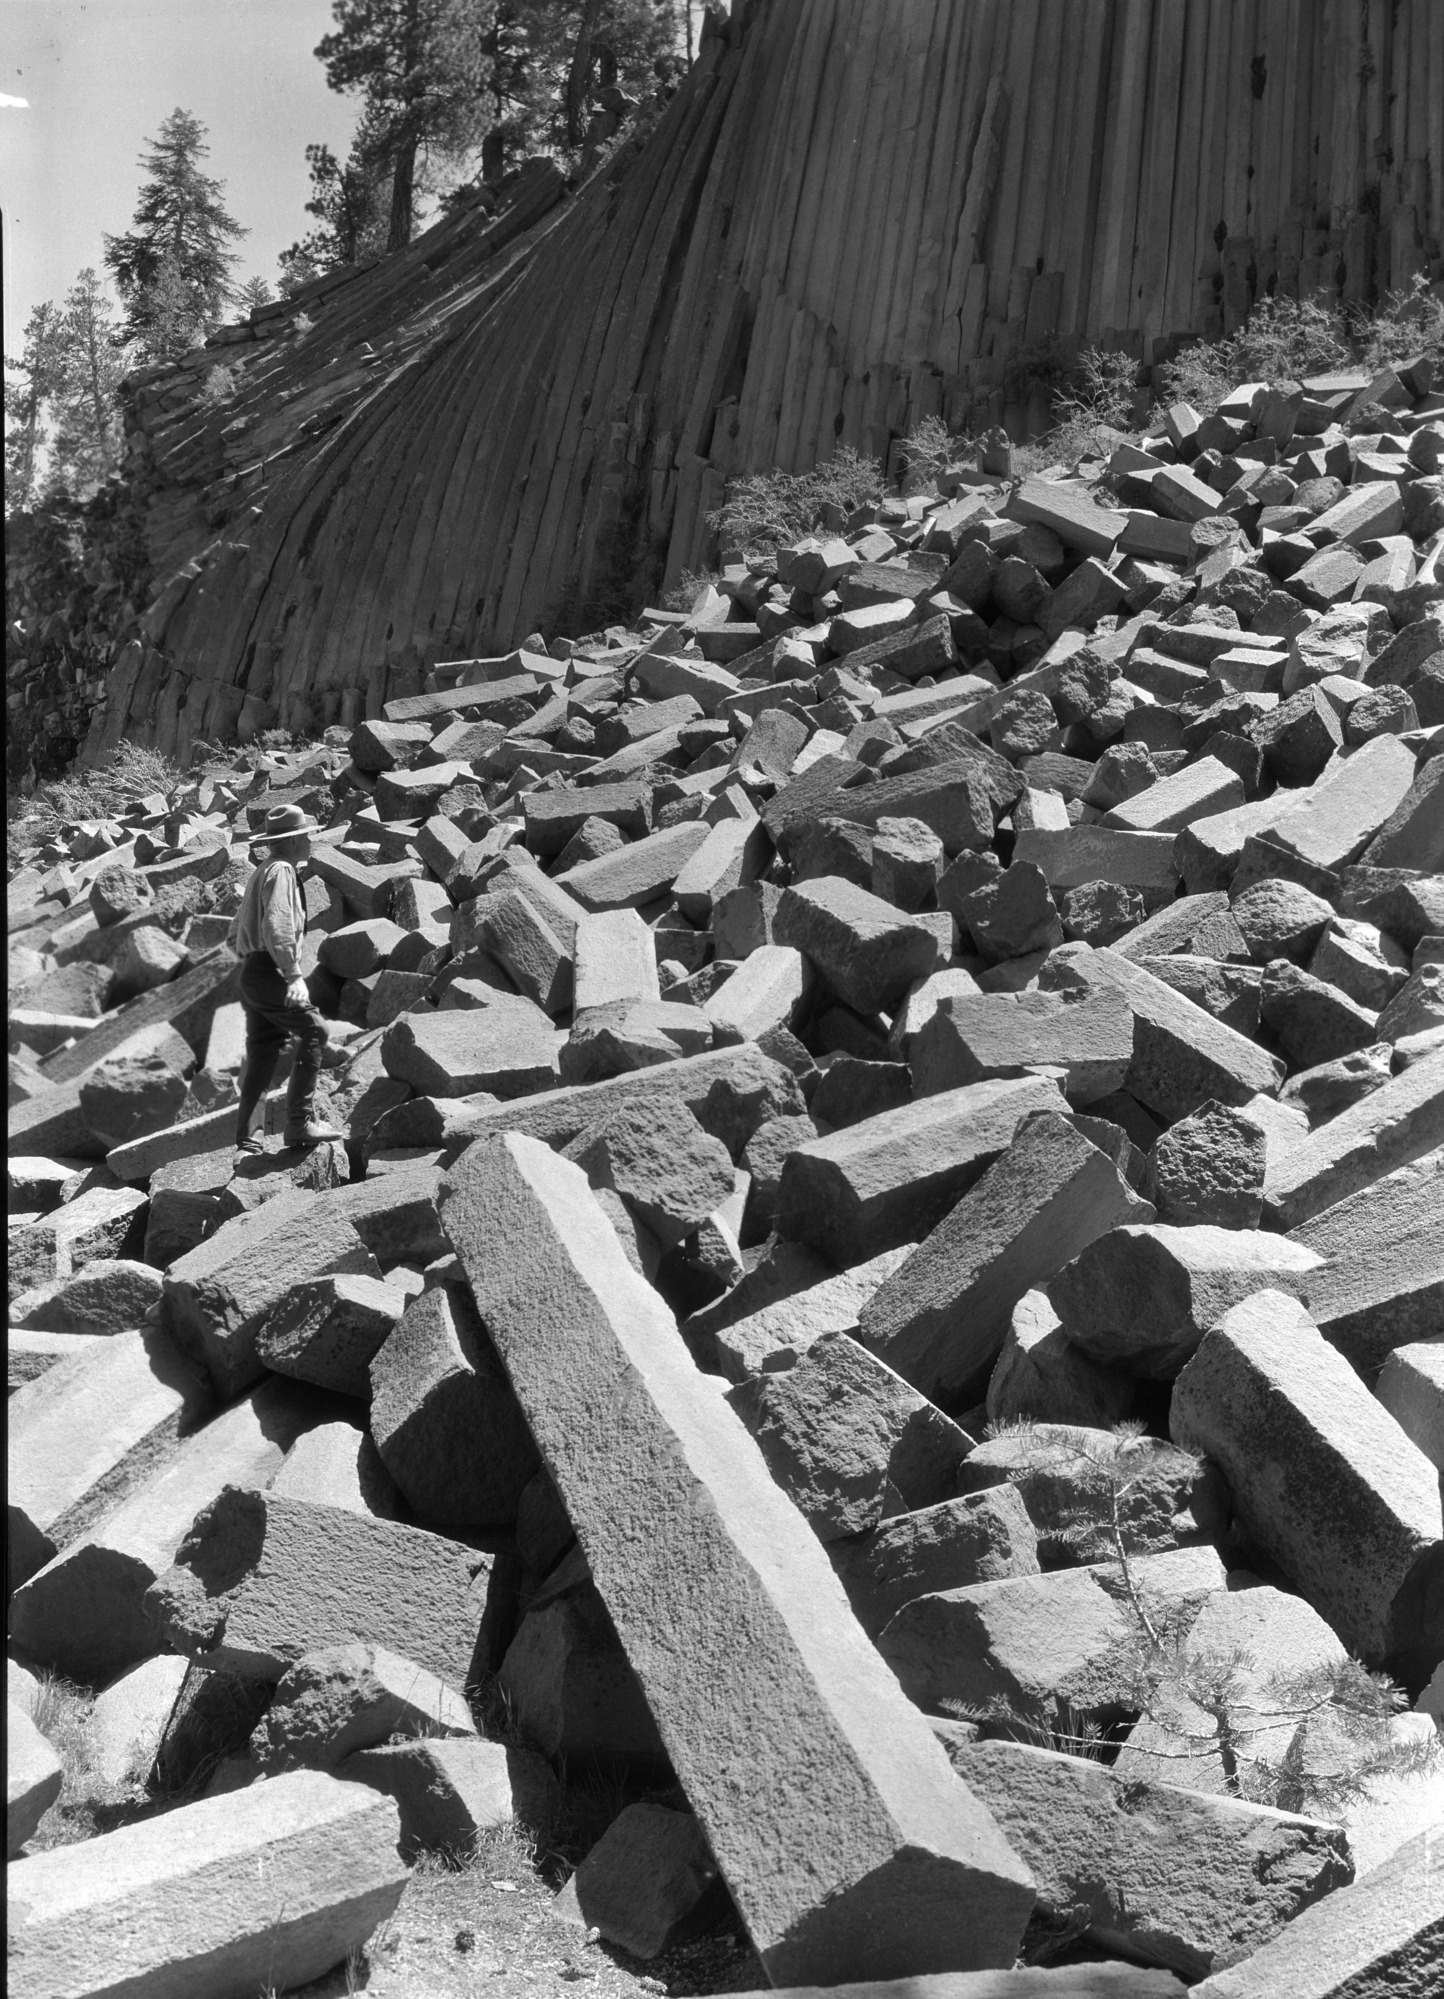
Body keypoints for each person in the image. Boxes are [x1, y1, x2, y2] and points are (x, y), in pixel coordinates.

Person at [230, 803, 341, 1153]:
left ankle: (248, 1143)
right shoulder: (282, 871)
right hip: (270, 970)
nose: (310, 841)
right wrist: (292, 975)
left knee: (263, 1051)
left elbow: (235, 930)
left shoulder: (261, 870)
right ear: (293, 840)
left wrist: (252, 966)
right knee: (315, 1029)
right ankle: (300, 1122)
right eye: (306, 835)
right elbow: (277, 924)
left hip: (253, 970)